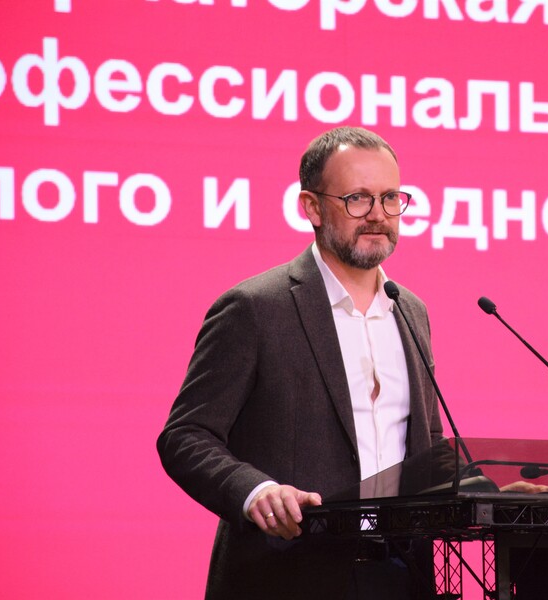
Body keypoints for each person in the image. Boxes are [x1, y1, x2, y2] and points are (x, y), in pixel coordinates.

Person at [157, 126, 443, 599]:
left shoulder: (410, 311)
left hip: (401, 576)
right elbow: (185, 436)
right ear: (311, 207)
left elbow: (426, 446)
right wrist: (255, 492)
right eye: (357, 198)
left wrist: (496, 492)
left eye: (390, 198)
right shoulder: (255, 308)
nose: (378, 215)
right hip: (288, 574)